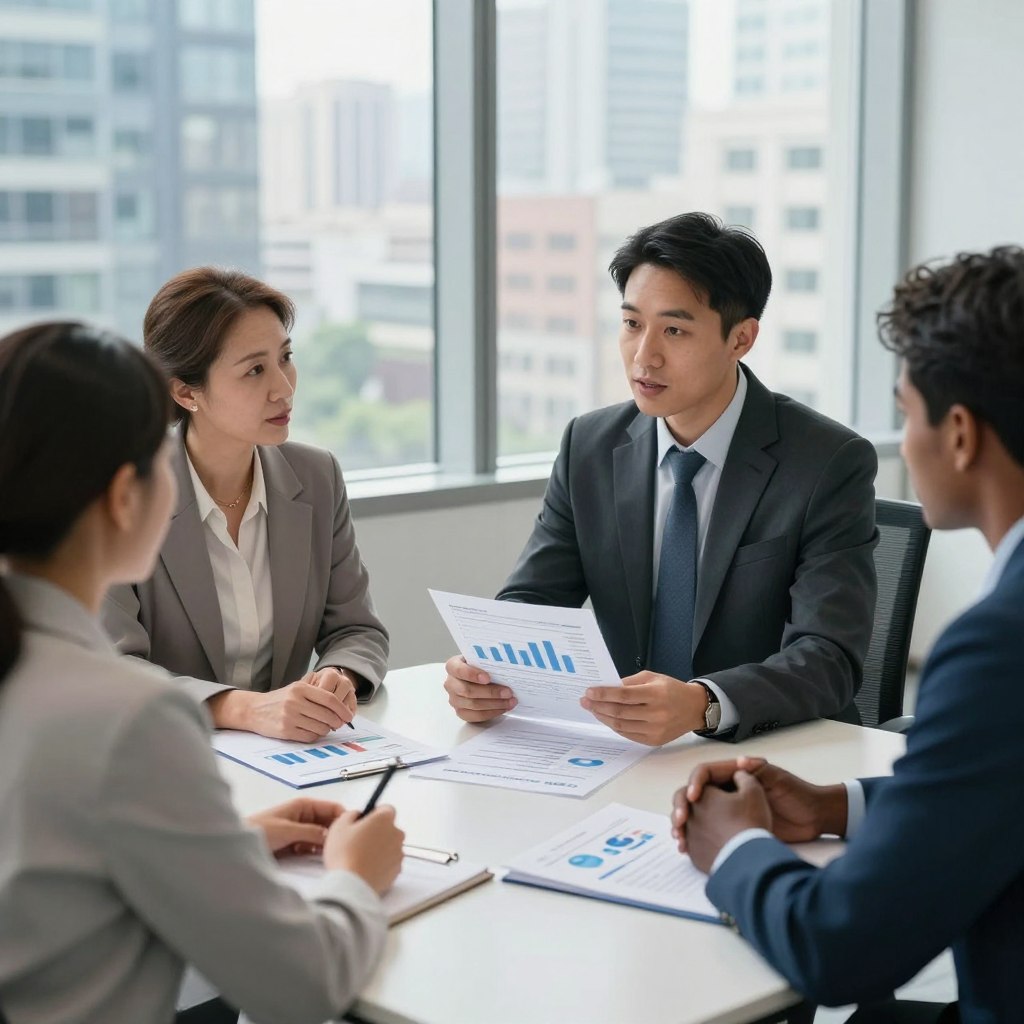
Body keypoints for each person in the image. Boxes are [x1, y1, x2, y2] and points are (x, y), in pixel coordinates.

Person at [0, 322, 405, 1024]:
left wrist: (231, 843)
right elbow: (303, 985)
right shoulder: (128, 716)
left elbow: (51, 870)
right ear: (127, 497)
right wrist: (356, 880)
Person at [674, 246, 1024, 1023]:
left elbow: (838, 947)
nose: (905, 440)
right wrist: (838, 807)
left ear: (960, 433)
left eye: (906, 410)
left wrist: (736, 847)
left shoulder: (998, 646)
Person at [444, 212, 878, 743]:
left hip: (775, 753)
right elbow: (533, 600)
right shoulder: (590, 444)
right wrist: (489, 668)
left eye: (674, 329)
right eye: (631, 324)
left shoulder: (826, 462)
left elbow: (829, 657)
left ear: (741, 338)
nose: (644, 355)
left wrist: (703, 704)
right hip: (626, 751)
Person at [102, 268, 388, 743]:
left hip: (290, 757)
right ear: (186, 392)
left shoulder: (317, 478)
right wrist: (244, 709)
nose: (284, 388)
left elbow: (358, 630)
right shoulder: (125, 497)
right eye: (255, 370)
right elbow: (113, 669)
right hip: (166, 754)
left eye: (286, 358)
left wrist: (339, 675)